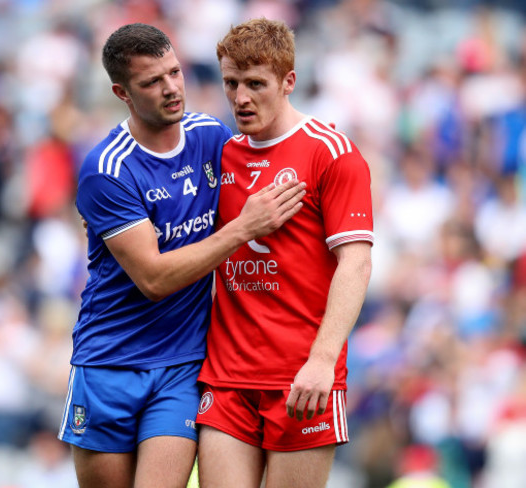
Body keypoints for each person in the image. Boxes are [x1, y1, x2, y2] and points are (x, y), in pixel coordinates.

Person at [57, 23, 306, 488]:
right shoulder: (107, 170)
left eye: (175, 72)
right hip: (108, 362)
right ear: (122, 92)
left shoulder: (210, 137)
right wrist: (243, 229)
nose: (171, 88)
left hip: (183, 364)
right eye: (152, 82)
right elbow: (153, 279)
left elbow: (272, 155)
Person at [196, 18, 374, 488]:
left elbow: (355, 262)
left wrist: (321, 360)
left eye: (256, 84)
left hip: (302, 379)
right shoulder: (222, 155)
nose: (240, 98)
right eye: (231, 83)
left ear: (288, 82)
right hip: (227, 377)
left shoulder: (331, 153)